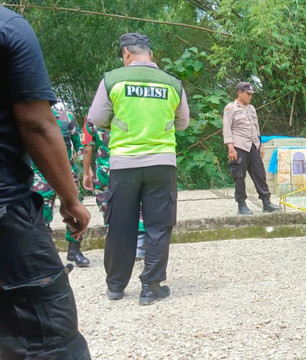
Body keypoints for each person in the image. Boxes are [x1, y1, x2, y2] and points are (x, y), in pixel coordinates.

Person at [0, 6, 91, 359]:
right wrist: (71, 199)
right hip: (7, 216)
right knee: (49, 342)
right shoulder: (9, 28)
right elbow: (37, 125)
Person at [87, 32, 189, 305]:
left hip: (124, 164)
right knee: (158, 226)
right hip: (161, 164)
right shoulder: (172, 83)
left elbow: (96, 118)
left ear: (126, 54)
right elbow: (183, 124)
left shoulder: (113, 79)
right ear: (151, 55)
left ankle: (116, 287)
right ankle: (151, 288)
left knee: (120, 225)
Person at [32, 108, 91, 267]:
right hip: (39, 176)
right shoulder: (28, 115)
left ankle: (74, 251)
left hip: (65, 173)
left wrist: (82, 165)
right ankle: (45, 256)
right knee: (39, 216)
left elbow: (80, 144)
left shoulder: (66, 117)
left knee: (76, 213)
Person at [82, 118, 146, 259]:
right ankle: (140, 244)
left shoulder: (92, 117)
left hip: (105, 170)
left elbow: (87, 148)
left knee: (106, 203)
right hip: (129, 164)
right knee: (137, 202)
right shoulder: (128, 109)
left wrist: (86, 172)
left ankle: (118, 245)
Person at [223, 82, 281, 215]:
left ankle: (266, 202)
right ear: (239, 93)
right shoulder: (230, 108)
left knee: (260, 173)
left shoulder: (251, 108)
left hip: (253, 145)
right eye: (247, 94)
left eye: (251, 94)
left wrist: (260, 145)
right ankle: (241, 205)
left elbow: (256, 128)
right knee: (239, 176)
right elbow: (227, 129)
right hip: (239, 146)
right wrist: (231, 148)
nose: (250, 96)